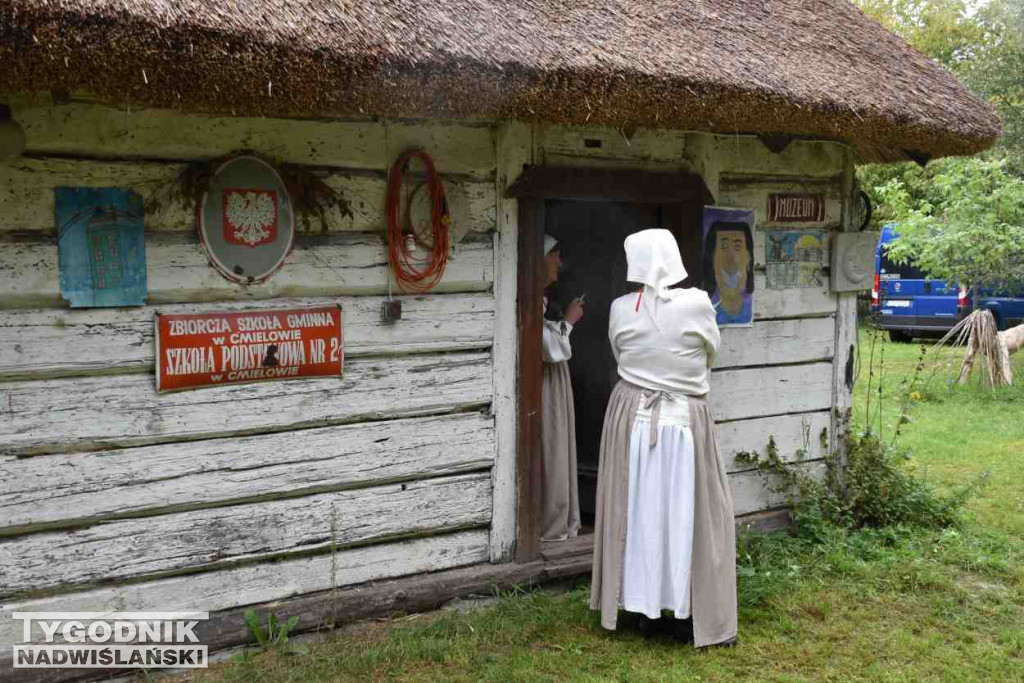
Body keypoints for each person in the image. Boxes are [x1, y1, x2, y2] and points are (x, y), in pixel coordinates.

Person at [590, 228, 737, 648]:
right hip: (682, 423)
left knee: (640, 513)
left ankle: (643, 608)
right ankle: (678, 611)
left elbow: (622, 356)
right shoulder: (697, 305)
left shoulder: (621, 309)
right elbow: (711, 353)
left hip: (633, 423)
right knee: (680, 516)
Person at [540, 234, 585, 542]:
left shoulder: (541, 300)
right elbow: (548, 349)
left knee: (557, 444)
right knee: (550, 446)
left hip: (553, 380)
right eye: (554, 254)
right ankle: (549, 524)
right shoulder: (529, 299)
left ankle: (560, 519)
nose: (559, 261)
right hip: (542, 383)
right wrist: (568, 322)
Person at [703, 221, 754, 325]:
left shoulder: (749, 309)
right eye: (723, 246)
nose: (731, 258)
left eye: (737, 247)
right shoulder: (706, 310)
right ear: (712, 257)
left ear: (748, 257)